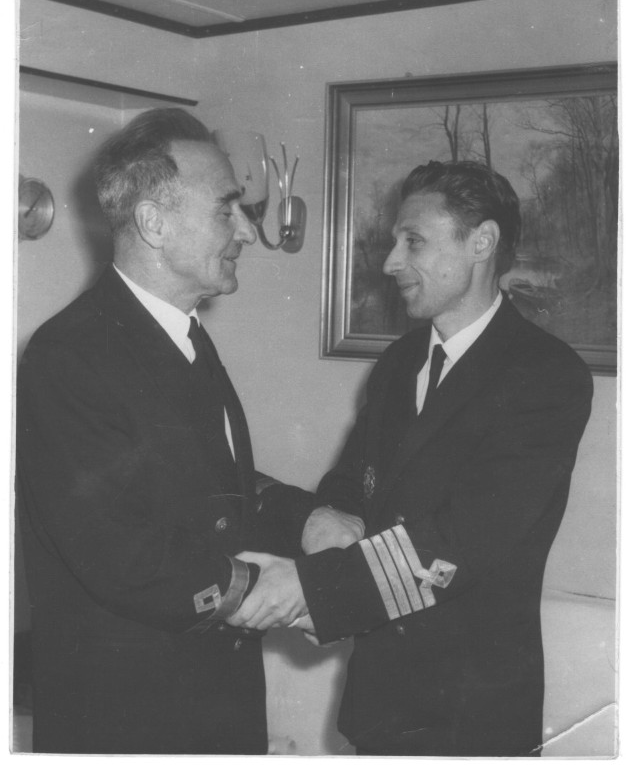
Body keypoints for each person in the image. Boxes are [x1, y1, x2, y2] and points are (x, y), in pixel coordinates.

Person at [16, 108, 363, 754]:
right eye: (226, 209)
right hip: (125, 720)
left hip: (215, 703)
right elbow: (118, 552)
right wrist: (277, 593)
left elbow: (209, 482)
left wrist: (305, 520)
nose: (246, 231)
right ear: (153, 222)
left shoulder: (183, 336)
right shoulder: (71, 354)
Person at [228, 160, 594, 756]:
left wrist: (319, 592)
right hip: (379, 701)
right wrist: (329, 524)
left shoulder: (546, 375)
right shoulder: (399, 363)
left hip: (471, 715)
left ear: (482, 242)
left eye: (413, 241)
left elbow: (464, 539)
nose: (391, 262)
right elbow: (351, 485)